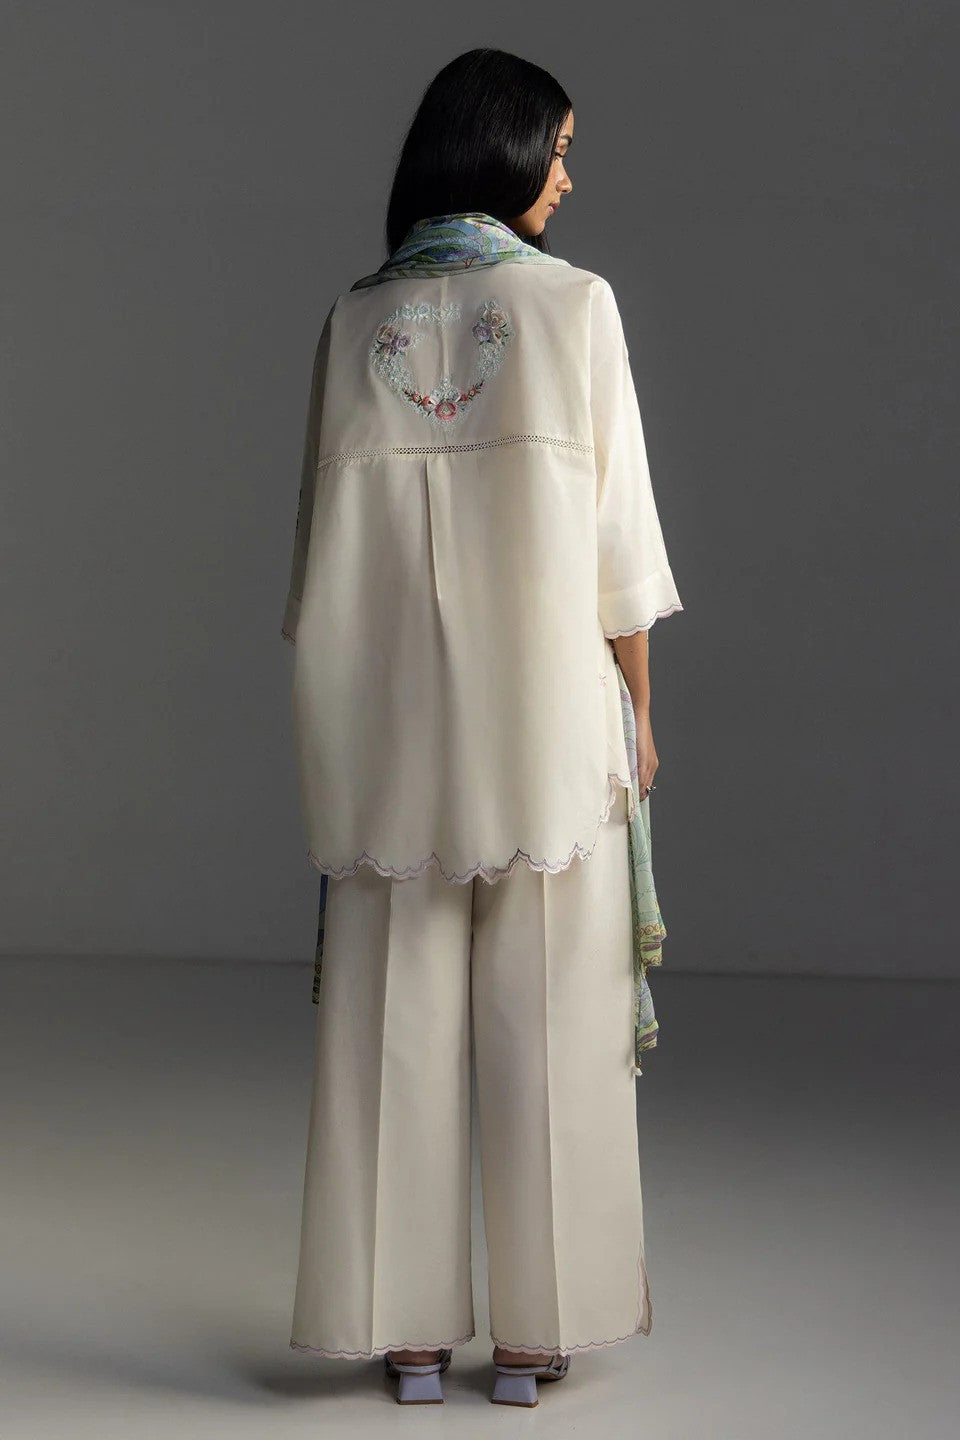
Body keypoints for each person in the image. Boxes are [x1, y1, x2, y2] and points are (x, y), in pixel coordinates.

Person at [281, 47, 684, 1408]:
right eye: (557, 151)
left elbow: (315, 561)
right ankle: (531, 1336)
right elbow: (619, 545)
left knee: (393, 1023)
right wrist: (639, 710)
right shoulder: (575, 307)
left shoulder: (354, 319)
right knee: (552, 1019)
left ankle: (404, 1336)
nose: (567, 178)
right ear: (500, 149)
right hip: (544, 717)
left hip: (386, 721)